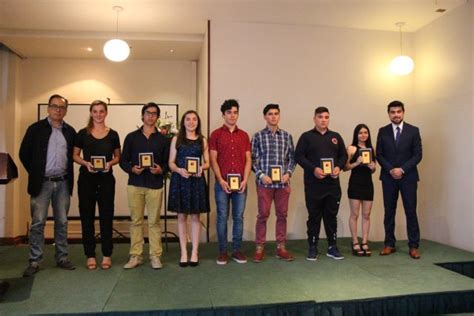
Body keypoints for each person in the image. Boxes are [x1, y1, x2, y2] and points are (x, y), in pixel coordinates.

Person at [19, 94, 77, 277]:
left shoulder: (70, 131)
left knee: (62, 222)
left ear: (66, 111)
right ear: (48, 108)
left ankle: (62, 258)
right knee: (38, 223)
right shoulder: (35, 129)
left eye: (61, 107)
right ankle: (35, 261)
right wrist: (36, 172)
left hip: (62, 183)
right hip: (41, 184)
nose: (58, 110)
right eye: (54, 106)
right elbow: (24, 154)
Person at [119, 102, 169, 269]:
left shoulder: (163, 139)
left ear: (157, 117)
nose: (151, 116)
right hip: (135, 184)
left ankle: (155, 256)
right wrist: (132, 169)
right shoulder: (131, 137)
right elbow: (122, 160)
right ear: (142, 115)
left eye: (154, 113)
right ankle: (136, 256)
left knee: (154, 222)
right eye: (148, 113)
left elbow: (167, 163)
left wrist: (161, 169)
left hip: (155, 185)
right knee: (136, 221)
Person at [72, 100, 121, 270]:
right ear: (91, 113)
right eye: (95, 111)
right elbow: (75, 155)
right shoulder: (82, 133)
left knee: (106, 216)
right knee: (87, 217)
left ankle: (107, 254)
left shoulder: (113, 134)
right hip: (86, 179)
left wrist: (110, 164)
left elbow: (117, 157)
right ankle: (90, 255)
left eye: (101, 111)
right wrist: (86, 163)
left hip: (106, 179)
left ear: (106, 113)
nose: (98, 114)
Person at [295, 106, 347, 261]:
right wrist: (314, 169)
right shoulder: (306, 137)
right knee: (314, 217)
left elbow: (343, 156)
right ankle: (312, 247)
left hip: (332, 185)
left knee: (331, 216)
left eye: (326, 117)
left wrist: (338, 167)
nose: (323, 120)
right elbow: (299, 156)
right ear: (314, 119)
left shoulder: (336, 136)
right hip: (313, 185)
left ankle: (332, 247)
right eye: (320, 117)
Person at [376, 100, 422, 259]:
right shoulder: (382, 131)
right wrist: (391, 169)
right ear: (388, 114)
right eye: (392, 112)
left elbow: (418, 155)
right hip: (388, 178)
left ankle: (414, 246)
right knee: (389, 211)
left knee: (411, 211)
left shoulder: (413, 131)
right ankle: (389, 244)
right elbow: (379, 154)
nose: (396, 115)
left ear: (403, 112)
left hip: (408, 177)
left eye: (398, 112)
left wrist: (402, 169)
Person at [251, 104, 296, 262]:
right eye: (270, 114)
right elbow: (252, 160)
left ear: (279, 116)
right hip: (265, 184)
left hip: (282, 185)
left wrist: (288, 173)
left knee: (282, 215)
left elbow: (292, 158)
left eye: (276, 113)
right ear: (265, 116)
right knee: (263, 215)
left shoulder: (286, 136)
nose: (273, 116)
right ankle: (259, 247)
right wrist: (261, 175)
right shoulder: (258, 136)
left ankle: (281, 247)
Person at [209, 99, 251, 265]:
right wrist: (221, 180)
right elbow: (213, 160)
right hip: (222, 184)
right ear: (223, 114)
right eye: (229, 112)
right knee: (222, 217)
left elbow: (248, 160)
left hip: (241, 184)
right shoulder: (216, 135)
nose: (232, 115)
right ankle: (222, 251)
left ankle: (237, 250)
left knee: (238, 217)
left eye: (235, 112)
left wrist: (245, 180)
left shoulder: (244, 135)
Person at [168, 110, 210, 267]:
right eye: (188, 119)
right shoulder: (176, 140)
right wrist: (179, 170)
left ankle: (195, 252)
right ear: (183, 122)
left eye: (194, 119)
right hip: (181, 180)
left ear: (198, 122)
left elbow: (207, 163)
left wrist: (202, 167)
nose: (191, 122)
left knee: (195, 217)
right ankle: (183, 252)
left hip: (196, 181)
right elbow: (171, 162)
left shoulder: (202, 140)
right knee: (181, 217)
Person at [344, 124, 376, 257]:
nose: (363, 135)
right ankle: (355, 242)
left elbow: (374, 169)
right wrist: (356, 163)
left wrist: (373, 166)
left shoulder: (371, 149)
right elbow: (345, 167)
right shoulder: (351, 148)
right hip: (355, 184)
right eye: (360, 133)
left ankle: (365, 242)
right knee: (355, 214)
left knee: (366, 215)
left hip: (368, 184)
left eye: (365, 132)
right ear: (356, 134)